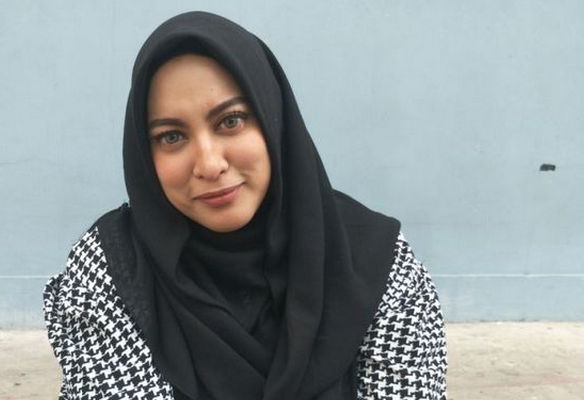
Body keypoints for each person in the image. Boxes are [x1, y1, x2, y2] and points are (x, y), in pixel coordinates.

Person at [43, 11, 447, 400]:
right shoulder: (112, 272)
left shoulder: (375, 265)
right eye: (171, 137)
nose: (209, 164)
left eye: (230, 121)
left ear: (273, 119)